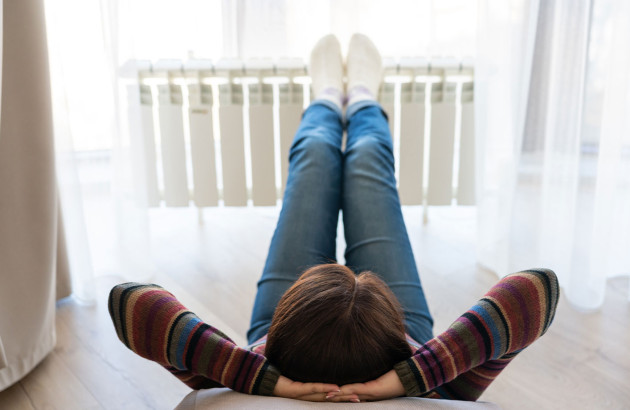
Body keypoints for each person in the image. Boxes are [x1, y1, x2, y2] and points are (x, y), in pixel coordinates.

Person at [108, 34, 559, 403]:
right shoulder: (441, 389)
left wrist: (269, 381)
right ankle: (360, 97)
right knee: (364, 160)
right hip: (389, 338)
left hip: (287, 339)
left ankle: (328, 96)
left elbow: (131, 302)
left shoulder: (246, 378)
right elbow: (537, 290)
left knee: (317, 158)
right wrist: (411, 378)